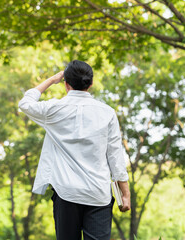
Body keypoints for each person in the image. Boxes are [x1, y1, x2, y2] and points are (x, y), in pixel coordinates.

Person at [18, 60, 130, 240]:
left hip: (66, 192)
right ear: (91, 84)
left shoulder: (53, 109)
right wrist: (125, 194)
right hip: (98, 194)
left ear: (66, 84)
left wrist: (51, 79)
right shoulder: (107, 112)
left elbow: (25, 103)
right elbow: (115, 156)